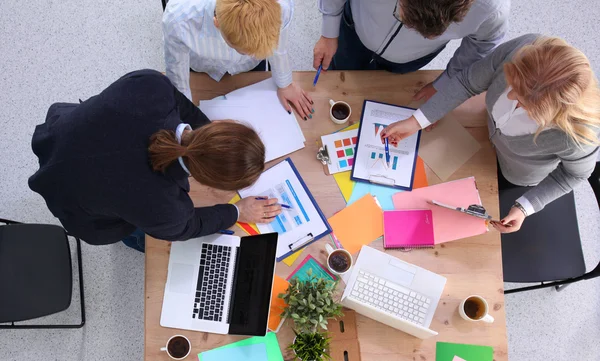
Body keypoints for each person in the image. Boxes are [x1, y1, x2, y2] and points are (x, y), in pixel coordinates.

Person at [29, 70, 281, 252]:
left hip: (58, 136)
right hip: (71, 199)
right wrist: (237, 211)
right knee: (142, 235)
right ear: (206, 181)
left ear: (220, 125)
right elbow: (189, 226)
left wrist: (214, 143)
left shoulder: (151, 87)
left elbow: (180, 104)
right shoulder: (166, 210)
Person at [381, 34, 600, 233]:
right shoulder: (525, 50)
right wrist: (417, 120)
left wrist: (525, 207)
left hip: (514, 172)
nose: (510, 96)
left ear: (551, 114)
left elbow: (575, 174)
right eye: (512, 84)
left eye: (522, 101)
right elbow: (468, 82)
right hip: (479, 130)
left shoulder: (578, 137)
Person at [314, 0, 509, 101]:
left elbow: (481, 44)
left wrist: (446, 83)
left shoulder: (493, 9)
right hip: (354, 28)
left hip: (411, 58)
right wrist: (329, 31)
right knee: (339, 73)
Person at [163, 0, 314, 120]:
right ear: (217, 23)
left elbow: (278, 46)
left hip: (249, 70)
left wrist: (285, 84)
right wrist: (188, 115)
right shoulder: (178, 19)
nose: (250, 55)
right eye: (243, 51)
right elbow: (176, 69)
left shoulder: (282, 6)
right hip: (202, 66)